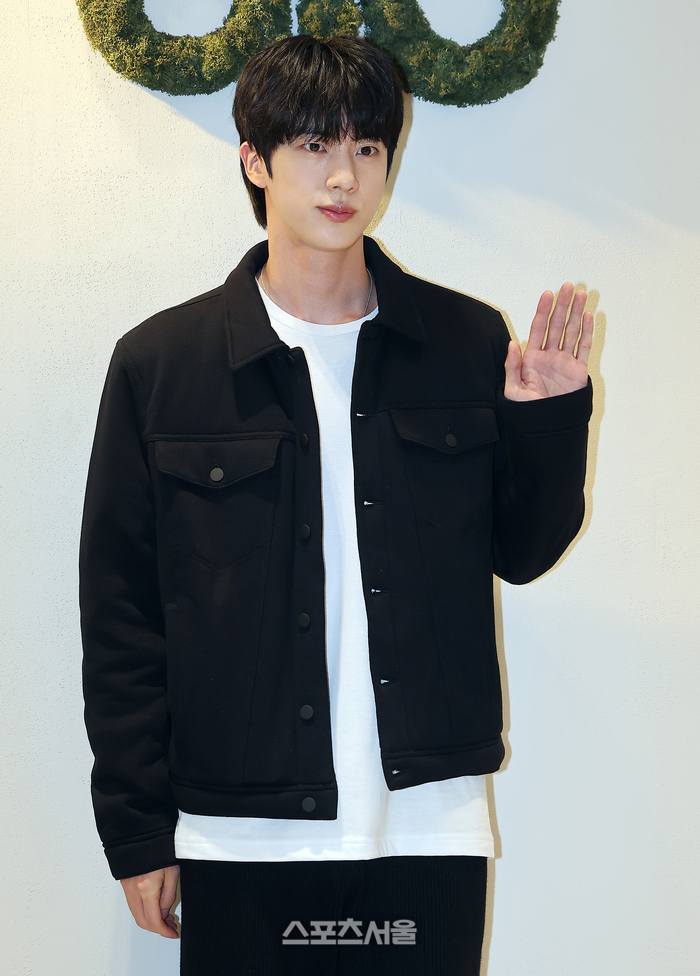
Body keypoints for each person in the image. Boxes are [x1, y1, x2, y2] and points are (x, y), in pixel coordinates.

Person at [80, 34, 593, 976]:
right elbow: (122, 618)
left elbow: (522, 551)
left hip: (427, 829)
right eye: (315, 145)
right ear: (255, 160)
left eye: (367, 146)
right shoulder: (163, 366)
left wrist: (549, 421)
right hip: (241, 832)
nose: (344, 175)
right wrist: (137, 827)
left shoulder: (463, 341)